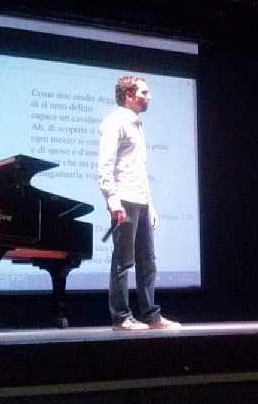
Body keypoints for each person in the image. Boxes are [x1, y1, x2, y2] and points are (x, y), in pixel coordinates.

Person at [97, 75, 181, 331]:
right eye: (144, 93)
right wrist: (112, 200)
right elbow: (105, 166)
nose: (149, 97)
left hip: (141, 200)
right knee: (123, 261)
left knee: (148, 261)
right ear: (128, 95)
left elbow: (138, 171)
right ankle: (121, 317)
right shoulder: (114, 123)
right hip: (123, 199)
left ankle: (151, 315)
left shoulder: (136, 125)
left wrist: (150, 205)